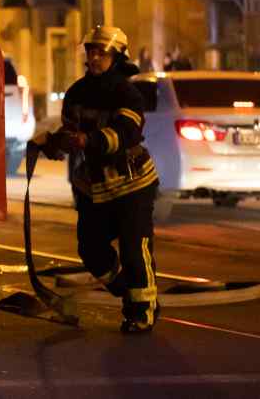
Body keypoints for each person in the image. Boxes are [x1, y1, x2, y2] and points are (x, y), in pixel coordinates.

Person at [29, 26, 160, 333]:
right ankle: (129, 292)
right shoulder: (77, 92)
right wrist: (53, 143)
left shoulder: (127, 92)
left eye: (102, 52)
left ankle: (142, 313)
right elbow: (71, 130)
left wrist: (89, 142)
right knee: (90, 249)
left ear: (116, 57)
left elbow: (127, 133)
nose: (94, 57)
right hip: (94, 185)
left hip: (131, 183)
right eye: (91, 51)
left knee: (133, 248)